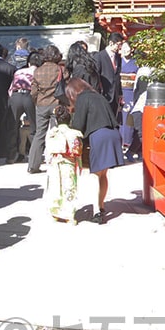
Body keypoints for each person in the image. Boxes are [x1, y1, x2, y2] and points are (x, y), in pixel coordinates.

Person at [66, 77, 126, 224]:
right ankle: (101, 205)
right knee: (103, 174)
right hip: (113, 134)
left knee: (94, 174)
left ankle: (97, 212)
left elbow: (78, 125)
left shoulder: (82, 99)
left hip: (99, 136)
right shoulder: (98, 96)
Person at [43, 104, 83, 223]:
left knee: (55, 187)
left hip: (55, 162)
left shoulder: (51, 133)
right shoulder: (73, 134)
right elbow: (77, 151)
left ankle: (56, 211)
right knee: (69, 187)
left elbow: (48, 151)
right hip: (68, 162)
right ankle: (69, 213)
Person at [27, 44, 63, 174]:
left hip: (41, 105)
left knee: (39, 134)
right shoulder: (60, 70)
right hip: (56, 104)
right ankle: (55, 163)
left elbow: (33, 91)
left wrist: (36, 102)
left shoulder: (38, 71)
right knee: (55, 134)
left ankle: (33, 165)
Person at [7, 52, 38, 164]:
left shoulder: (18, 71)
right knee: (34, 127)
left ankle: (11, 155)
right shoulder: (37, 72)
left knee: (12, 126)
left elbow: (10, 89)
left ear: (29, 63)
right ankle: (34, 156)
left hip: (16, 95)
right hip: (29, 96)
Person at [94, 33, 125, 119]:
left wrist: (120, 93)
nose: (120, 47)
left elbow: (118, 76)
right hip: (105, 93)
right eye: (118, 44)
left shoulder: (118, 57)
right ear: (111, 43)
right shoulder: (99, 56)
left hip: (115, 94)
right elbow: (96, 75)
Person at [118, 41, 140, 154]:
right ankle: (120, 142)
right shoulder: (118, 62)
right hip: (121, 92)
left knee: (130, 118)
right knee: (121, 118)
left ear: (132, 49)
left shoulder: (136, 63)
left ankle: (128, 143)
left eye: (128, 48)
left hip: (131, 92)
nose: (126, 50)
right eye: (124, 47)